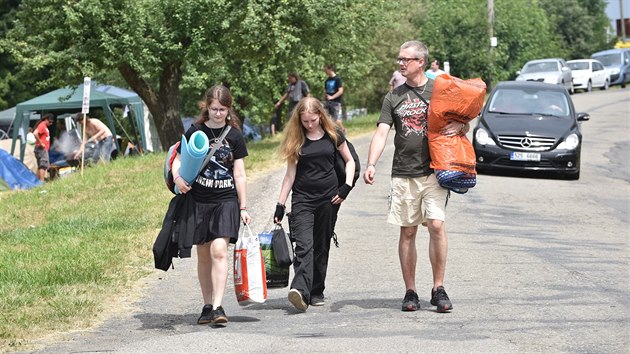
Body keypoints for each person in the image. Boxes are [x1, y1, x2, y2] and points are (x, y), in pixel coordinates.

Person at [363, 40, 468, 313]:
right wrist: (371, 162)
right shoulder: (393, 97)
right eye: (399, 59)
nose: (400, 64)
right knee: (408, 231)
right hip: (403, 172)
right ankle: (410, 291)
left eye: (405, 59)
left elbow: (463, 119)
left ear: (420, 62)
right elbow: (382, 132)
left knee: (436, 225)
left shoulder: (439, 91)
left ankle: (438, 288)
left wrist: (460, 125)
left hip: (434, 170)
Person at [171, 84, 251, 325]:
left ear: (229, 109)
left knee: (218, 250)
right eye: (214, 108)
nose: (218, 113)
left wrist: (244, 207)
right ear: (207, 107)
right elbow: (177, 159)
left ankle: (218, 306)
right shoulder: (195, 132)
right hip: (199, 201)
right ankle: (207, 306)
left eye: (222, 109)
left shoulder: (235, 136)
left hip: (225, 201)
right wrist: (178, 179)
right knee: (203, 254)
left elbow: (239, 174)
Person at [273, 97, 355, 312]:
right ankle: (300, 290)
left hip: (329, 200)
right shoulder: (296, 140)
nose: (309, 125)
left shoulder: (333, 135)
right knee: (304, 246)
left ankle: (316, 290)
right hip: (302, 200)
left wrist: (345, 187)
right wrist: (280, 204)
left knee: (321, 245)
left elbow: (350, 161)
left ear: (320, 115)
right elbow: (290, 176)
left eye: (312, 120)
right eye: (305, 121)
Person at [322, 64, 346, 132]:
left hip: (336, 102)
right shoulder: (327, 80)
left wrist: (332, 97)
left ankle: (342, 130)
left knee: (336, 119)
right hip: (327, 102)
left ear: (330, 69)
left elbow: (340, 91)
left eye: (326, 70)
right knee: (325, 117)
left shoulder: (337, 79)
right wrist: (324, 98)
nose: (325, 71)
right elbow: (325, 91)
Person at [33, 113, 54, 181]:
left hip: (41, 148)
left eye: (52, 122)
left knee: (40, 165)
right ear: (46, 119)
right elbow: (35, 133)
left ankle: (37, 181)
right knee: (43, 165)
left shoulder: (44, 126)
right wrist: (41, 142)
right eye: (50, 121)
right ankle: (41, 181)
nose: (51, 123)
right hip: (41, 149)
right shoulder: (42, 125)